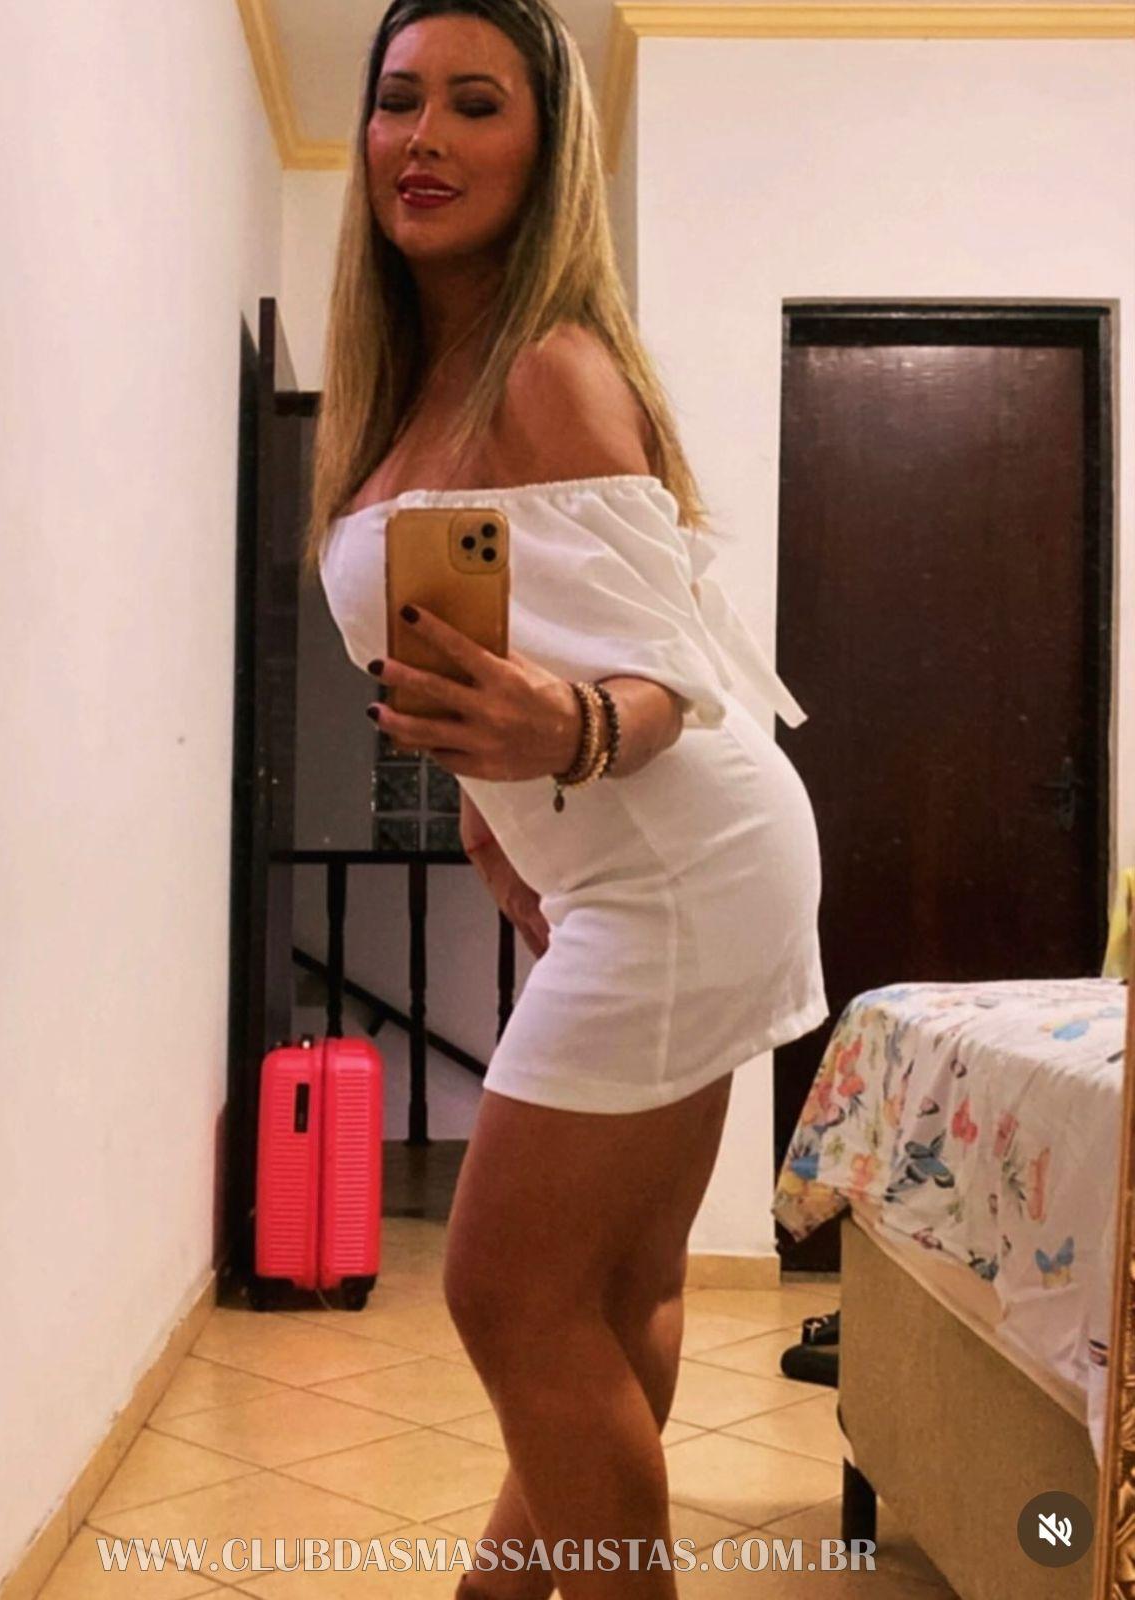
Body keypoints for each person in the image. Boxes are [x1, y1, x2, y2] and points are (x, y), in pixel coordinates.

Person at [306, 3, 830, 1595]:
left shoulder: (547, 364)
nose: (425, 139)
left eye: (477, 105)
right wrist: (492, 795)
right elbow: (528, 641)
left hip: (677, 862)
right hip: (631, 860)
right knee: (612, 1291)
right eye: (401, 101)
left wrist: (571, 735)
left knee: (505, 1293)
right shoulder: (423, 383)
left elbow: (676, 678)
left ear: (547, 153)